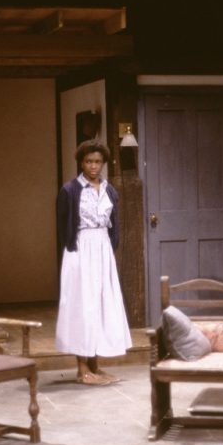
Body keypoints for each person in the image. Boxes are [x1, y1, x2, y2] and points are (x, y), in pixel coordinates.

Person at [56, 140, 132, 385]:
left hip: (102, 250)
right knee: (83, 306)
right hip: (80, 250)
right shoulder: (70, 190)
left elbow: (114, 225)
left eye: (98, 162)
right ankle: (82, 369)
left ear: (103, 164)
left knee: (100, 305)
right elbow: (63, 227)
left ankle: (95, 365)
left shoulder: (110, 191)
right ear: (81, 162)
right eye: (89, 161)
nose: (93, 166)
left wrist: (108, 249)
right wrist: (74, 253)